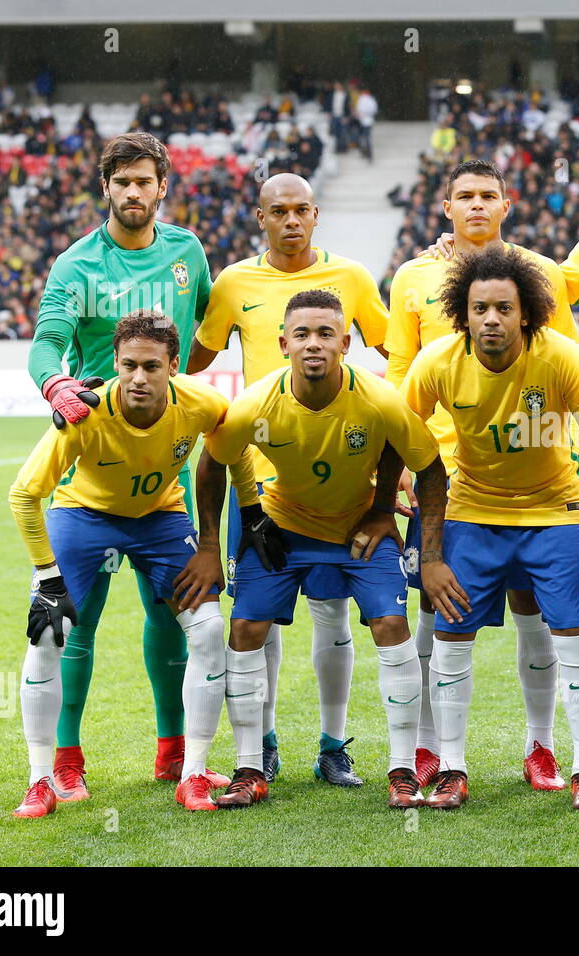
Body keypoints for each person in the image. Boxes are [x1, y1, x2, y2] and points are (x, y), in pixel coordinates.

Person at [201, 289, 445, 809]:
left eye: (326, 334)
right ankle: (249, 768)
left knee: (391, 626)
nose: (315, 344)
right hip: (283, 529)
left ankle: (401, 769)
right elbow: (212, 461)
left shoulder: (378, 400)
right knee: (244, 629)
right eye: (304, 335)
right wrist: (212, 542)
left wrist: (390, 516)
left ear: (346, 343)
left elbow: (427, 466)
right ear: (284, 342)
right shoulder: (257, 403)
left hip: (357, 530)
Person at [26, 132, 213, 796]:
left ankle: (173, 751)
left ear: (164, 185)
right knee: (70, 624)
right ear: (104, 187)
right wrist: (57, 387)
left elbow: (207, 336)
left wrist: (187, 400)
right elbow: (47, 343)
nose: (133, 192)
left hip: (166, 474)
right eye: (121, 181)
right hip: (90, 470)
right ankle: (64, 762)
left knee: (175, 619)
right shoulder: (76, 266)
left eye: (145, 181)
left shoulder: (189, 254)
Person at [187, 172, 389, 783]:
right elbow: (192, 359)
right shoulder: (233, 283)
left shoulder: (351, 278)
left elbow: (393, 351)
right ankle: (264, 742)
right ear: (260, 217)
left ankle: (332, 745)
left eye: (303, 210)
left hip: (339, 481)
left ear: (317, 214)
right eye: (280, 212)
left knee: (331, 612)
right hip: (259, 485)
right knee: (259, 617)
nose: (293, 221)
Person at [388, 159, 579, 792]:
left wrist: (544, 449)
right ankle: (432, 753)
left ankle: (542, 747)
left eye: (487, 195)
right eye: (463, 195)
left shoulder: (542, 278)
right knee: (437, 611)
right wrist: (398, 479)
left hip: (540, 486)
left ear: (506, 203)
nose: (476, 205)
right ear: (446, 205)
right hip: (444, 481)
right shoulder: (414, 278)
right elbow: (398, 380)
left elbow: (566, 380)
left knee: (537, 612)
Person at [10, 313, 236, 817]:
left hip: (160, 517)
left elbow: (233, 447)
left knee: (207, 629)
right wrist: (47, 578)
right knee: (49, 633)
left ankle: (190, 772)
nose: (139, 377)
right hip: (82, 515)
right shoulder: (85, 415)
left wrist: (209, 544)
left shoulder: (203, 404)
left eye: (152, 366)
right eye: (129, 365)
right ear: (114, 363)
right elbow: (24, 494)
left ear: (174, 366)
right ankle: (41, 779)